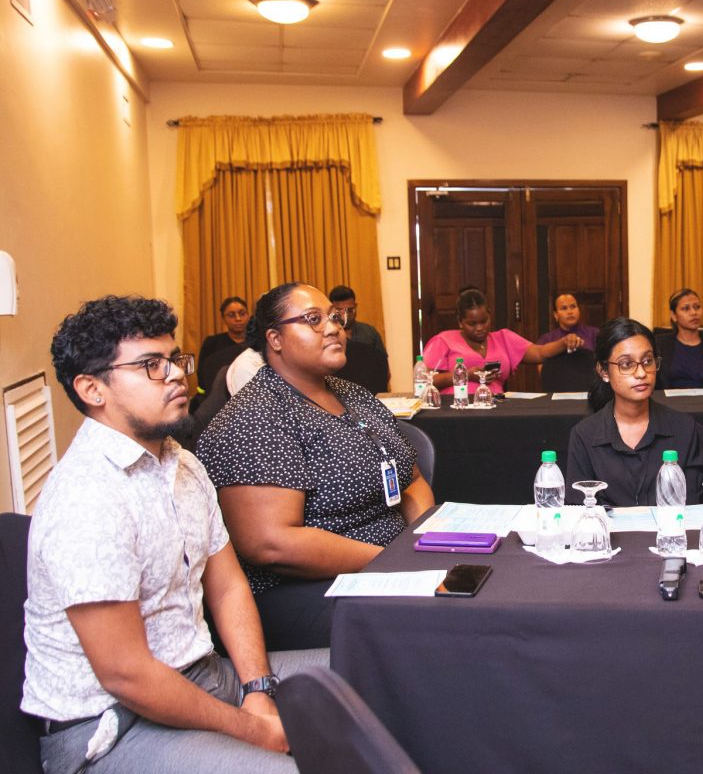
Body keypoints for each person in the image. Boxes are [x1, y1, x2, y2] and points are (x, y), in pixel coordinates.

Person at [26, 295, 324, 774]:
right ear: (92, 389)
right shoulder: (86, 496)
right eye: (150, 365)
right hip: (113, 726)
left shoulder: (180, 462)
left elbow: (227, 588)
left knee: (373, 671)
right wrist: (257, 730)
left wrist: (259, 692)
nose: (174, 375)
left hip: (202, 676)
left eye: (173, 359)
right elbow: (128, 675)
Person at [197, 283, 434, 650]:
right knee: (440, 620)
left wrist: (423, 542)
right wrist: (394, 561)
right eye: (313, 319)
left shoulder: (351, 393)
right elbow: (272, 544)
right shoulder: (256, 415)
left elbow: (410, 476)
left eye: (334, 317)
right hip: (296, 592)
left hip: (394, 562)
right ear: (275, 339)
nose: (333, 327)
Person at [566, 318, 703, 505]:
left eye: (647, 361)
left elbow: (692, 508)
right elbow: (579, 511)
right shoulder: (585, 435)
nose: (641, 373)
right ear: (604, 371)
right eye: (626, 364)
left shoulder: (684, 428)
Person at [423, 288, 581, 395]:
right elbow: (425, 381)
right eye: (472, 324)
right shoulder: (444, 340)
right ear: (460, 322)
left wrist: (564, 342)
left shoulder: (503, 338)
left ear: (490, 315)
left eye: (484, 321)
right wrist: (466, 375)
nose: (479, 328)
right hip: (455, 409)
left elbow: (540, 352)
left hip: (496, 408)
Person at [196, 297, 250, 397]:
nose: (238, 318)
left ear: (248, 315)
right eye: (231, 315)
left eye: (242, 313)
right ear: (223, 319)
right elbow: (202, 375)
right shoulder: (212, 343)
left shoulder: (257, 342)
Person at [328, 284, 385, 354]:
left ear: (355, 306)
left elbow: (382, 362)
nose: (345, 315)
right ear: (331, 309)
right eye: (340, 311)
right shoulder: (326, 335)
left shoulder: (369, 333)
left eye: (350, 310)